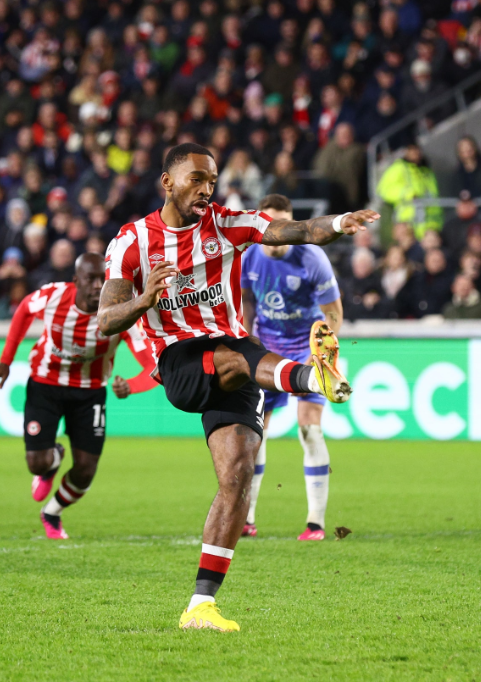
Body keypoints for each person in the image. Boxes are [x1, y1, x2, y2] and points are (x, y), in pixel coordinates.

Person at [96, 143, 378, 632]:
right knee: (240, 354)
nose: (206, 189)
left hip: (233, 361)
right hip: (180, 360)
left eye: (212, 180)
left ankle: (200, 606)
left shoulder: (226, 225)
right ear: (168, 182)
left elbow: (296, 230)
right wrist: (143, 300)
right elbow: (106, 320)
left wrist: (338, 223)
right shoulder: (132, 241)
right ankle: (311, 376)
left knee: (238, 478)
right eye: (197, 179)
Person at [0, 253, 158, 541]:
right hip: (45, 385)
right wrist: (5, 361)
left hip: (90, 393)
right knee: (37, 463)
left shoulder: (122, 314)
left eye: (103, 279)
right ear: (76, 280)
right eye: (90, 279)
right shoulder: (53, 297)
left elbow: (153, 367)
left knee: (86, 471)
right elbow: (23, 310)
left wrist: (131, 386)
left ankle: (51, 512)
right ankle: (53, 460)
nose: (98, 285)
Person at [240, 195, 343, 541]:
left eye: (283, 225)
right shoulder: (249, 255)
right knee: (255, 432)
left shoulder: (311, 257)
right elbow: (247, 301)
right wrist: (247, 339)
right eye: (271, 225)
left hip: (306, 347)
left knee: (309, 429)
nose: (277, 232)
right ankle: (247, 518)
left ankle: (315, 523)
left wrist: (323, 353)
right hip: (267, 348)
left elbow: (333, 312)